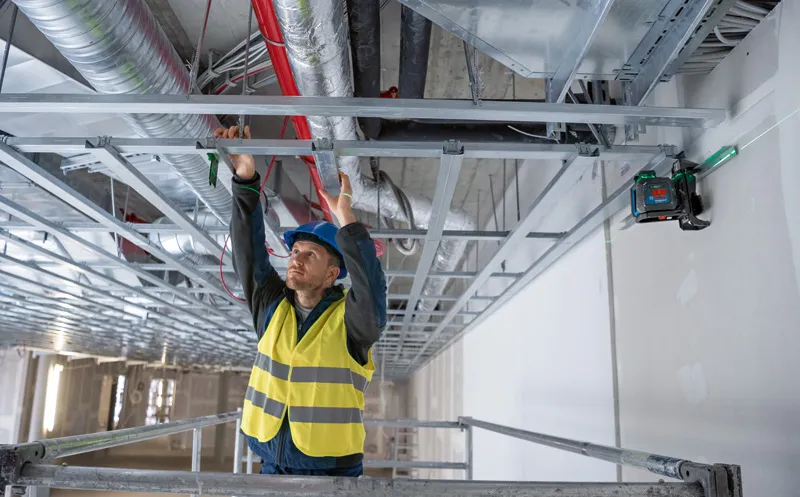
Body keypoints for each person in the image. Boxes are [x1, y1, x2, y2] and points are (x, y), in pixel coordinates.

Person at [218, 126, 387, 477]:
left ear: (331, 274)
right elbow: (249, 253)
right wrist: (246, 179)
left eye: (311, 255)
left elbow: (371, 289)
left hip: (331, 471)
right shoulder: (271, 307)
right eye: (295, 251)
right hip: (271, 462)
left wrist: (346, 219)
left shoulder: (351, 322)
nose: (295, 259)